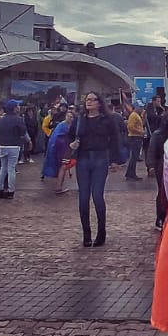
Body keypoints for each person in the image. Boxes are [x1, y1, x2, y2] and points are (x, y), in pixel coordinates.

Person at [70, 92, 120, 246]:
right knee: (83, 197)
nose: (89, 102)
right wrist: (72, 144)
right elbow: (70, 136)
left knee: (97, 196)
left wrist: (115, 160)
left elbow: (115, 139)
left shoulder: (108, 119)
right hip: (83, 159)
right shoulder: (80, 120)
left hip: (100, 159)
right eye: (87, 100)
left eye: (93, 100)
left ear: (99, 103)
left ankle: (101, 232)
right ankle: (86, 234)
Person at [0, 100, 31, 199]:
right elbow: (23, 132)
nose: (19, 107)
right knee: (11, 169)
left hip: (3, 145)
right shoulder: (18, 119)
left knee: (3, 168)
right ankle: (10, 191)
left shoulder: (2, 119)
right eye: (18, 105)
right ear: (14, 108)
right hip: (14, 145)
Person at [124, 102, 144, 181]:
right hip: (134, 137)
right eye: (141, 107)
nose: (142, 109)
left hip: (137, 137)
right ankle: (130, 174)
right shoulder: (133, 115)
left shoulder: (136, 115)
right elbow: (130, 126)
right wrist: (140, 132)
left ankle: (131, 173)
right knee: (134, 157)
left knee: (135, 157)